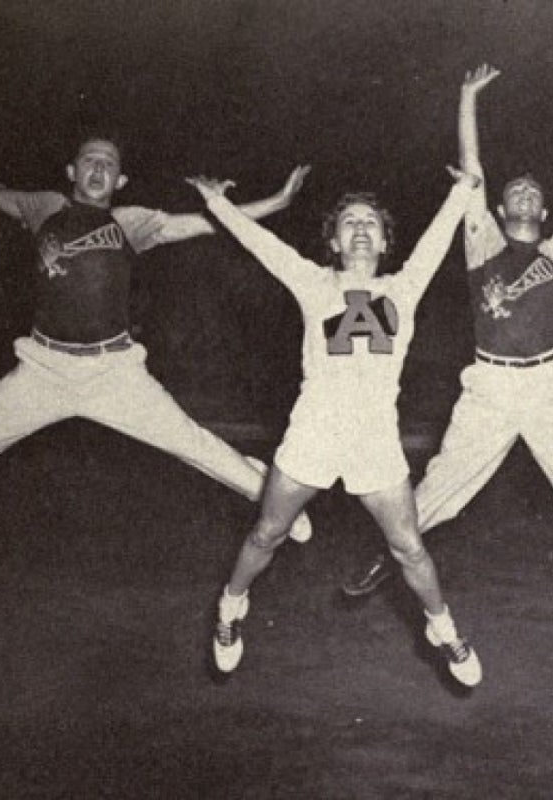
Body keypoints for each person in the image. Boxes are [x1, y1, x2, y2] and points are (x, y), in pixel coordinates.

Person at [340, 63, 553, 599]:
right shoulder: (482, 245)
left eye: (534, 192)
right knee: (444, 482)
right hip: (489, 385)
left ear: (545, 210)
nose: (525, 194)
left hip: (548, 383)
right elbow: (472, 169)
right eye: (516, 191)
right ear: (504, 208)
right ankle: (392, 551)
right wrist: (466, 97)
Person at [0, 133, 313, 543]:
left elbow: (202, 224)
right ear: (72, 172)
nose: (99, 169)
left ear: (119, 181)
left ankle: (273, 501)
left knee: (192, 443)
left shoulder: (129, 222)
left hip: (113, 372)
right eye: (90, 160)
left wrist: (275, 202)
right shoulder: (44, 207)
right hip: (44, 370)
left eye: (108, 164)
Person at [187, 166, 485, 687]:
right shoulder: (313, 282)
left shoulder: (404, 287)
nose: (361, 229)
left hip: (374, 438)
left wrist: (462, 191)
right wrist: (219, 205)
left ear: (387, 241)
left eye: (371, 222)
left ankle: (445, 629)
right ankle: (231, 607)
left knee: (409, 547)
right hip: (314, 432)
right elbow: (263, 246)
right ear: (333, 240)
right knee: (268, 531)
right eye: (349, 222)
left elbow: (438, 240)